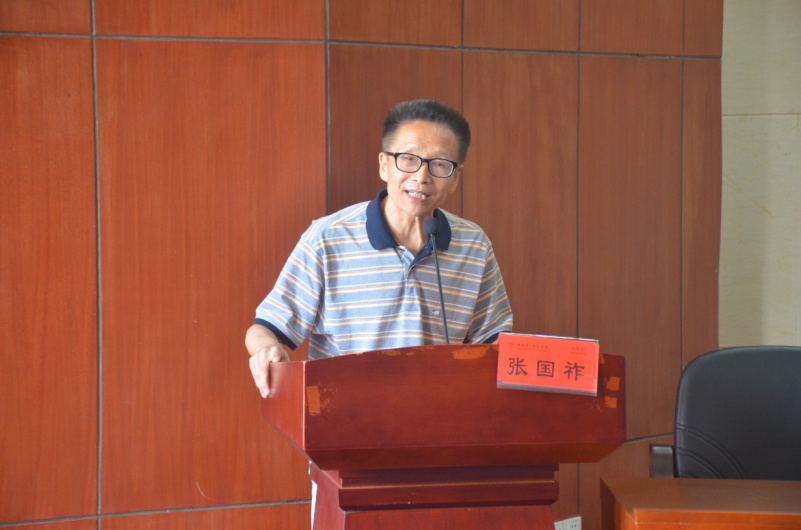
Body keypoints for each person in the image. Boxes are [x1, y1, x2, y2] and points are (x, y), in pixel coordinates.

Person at [245, 99, 513, 397]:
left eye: (439, 164)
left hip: (439, 416)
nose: (422, 177)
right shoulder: (327, 239)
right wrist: (266, 349)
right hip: (345, 416)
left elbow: (495, 342)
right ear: (384, 165)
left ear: (455, 179)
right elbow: (266, 328)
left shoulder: (473, 245)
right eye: (408, 159)